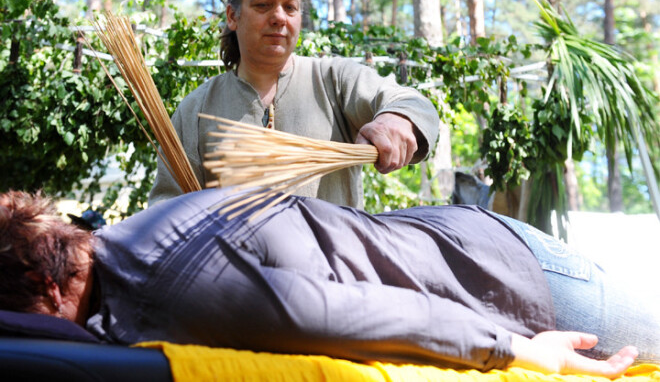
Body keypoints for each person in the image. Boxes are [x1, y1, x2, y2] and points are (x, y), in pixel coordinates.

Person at [1, 189, 658, 379]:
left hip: (513, 284)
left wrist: (514, 349)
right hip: (474, 248)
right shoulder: (139, 240)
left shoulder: (165, 285)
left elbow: (354, 311)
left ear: (45, 285)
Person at [148, 0, 440, 208]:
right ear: (233, 16)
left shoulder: (335, 80)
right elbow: (167, 207)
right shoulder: (196, 109)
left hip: (332, 271)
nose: (278, 17)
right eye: (263, 5)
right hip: (232, 275)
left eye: (290, 8)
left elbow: (411, 102)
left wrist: (398, 119)